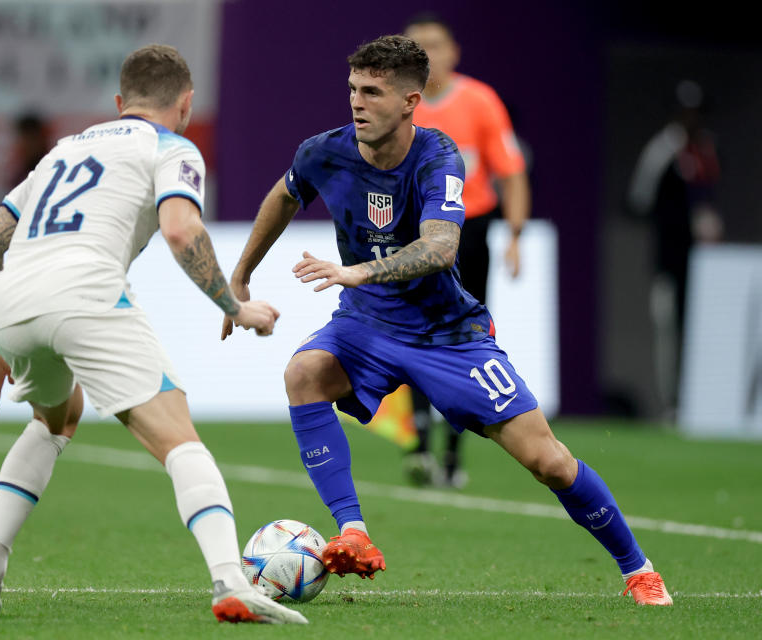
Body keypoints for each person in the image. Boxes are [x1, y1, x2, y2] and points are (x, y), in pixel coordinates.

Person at [221, 35, 672, 606]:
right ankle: (352, 531)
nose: (358, 103)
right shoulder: (324, 151)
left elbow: (440, 248)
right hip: (366, 323)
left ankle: (639, 569)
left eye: (374, 93)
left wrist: (360, 271)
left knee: (550, 463)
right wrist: (241, 275)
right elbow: (283, 196)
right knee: (304, 373)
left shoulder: (438, 157)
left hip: (447, 336)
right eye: (353, 90)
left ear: (411, 101)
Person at [0, 44, 306, 624]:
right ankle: (230, 582)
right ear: (187, 104)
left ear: (120, 103)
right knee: (178, 438)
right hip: (86, 294)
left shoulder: (60, 151)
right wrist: (236, 306)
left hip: (11, 299)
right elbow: (179, 229)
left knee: (55, 418)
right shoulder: (172, 147)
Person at [398, 14, 532, 489]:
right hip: (413, 232)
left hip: (471, 229)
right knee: (410, 328)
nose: (429, 54)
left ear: (453, 51)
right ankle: (418, 443)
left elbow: (510, 170)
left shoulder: (480, 102)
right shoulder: (400, 107)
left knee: (464, 333)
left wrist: (515, 235)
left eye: (436, 44)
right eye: (419, 46)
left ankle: (454, 451)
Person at [627, 79, 721, 417]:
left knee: (703, 329)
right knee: (669, 330)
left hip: (706, 265)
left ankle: (702, 403)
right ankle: (672, 405)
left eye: (697, 113)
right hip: (669, 260)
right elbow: (637, 200)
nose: (692, 120)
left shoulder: (708, 148)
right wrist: (678, 222)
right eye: (686, 113)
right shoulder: (664, 148)